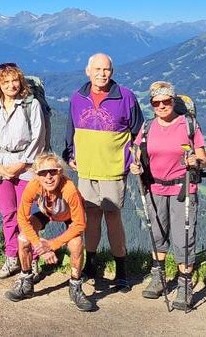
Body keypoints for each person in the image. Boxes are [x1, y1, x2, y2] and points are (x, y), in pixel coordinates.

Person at [63, 53, 144, 291]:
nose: (102, 74)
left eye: (106, 69)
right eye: (97, 69)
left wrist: (136, 157)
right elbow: (71, 129)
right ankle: (92, 264)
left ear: (113, 71)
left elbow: (138, 132)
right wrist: (69, 153)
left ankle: (121, 269)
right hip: (86, 169)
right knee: (91, 218)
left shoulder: (126, 96)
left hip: (114, 169)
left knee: (113, 217)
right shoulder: (78, 97)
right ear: (88, 71)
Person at [130, 81, 206, 310]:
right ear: (152, 104)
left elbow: (204, 159)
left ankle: (184, 286)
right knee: (158, 233)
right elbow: (138, 153)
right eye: (157, 102)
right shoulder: (147, 128)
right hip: (154, 187)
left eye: (166, 101)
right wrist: (136, 165)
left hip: (182, 188)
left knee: (183, 238)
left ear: (174, 101)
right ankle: (159, 277)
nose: (162, 106)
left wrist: (197, 161)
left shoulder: (188, 125)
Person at [4, 153, 94, 311]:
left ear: (60, 172)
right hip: (46, 213)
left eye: (52, 172)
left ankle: (75, 287)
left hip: (69, 217)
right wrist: (39, 245)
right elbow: (22, 218)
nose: (48, 177)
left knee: (77, 243)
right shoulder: (33, 186)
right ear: (36, 175)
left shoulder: (69, 189)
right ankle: (26, 282)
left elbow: (80, 224)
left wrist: (52, 245)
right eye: (42, 173)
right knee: (23, 239)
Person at [0, 63, 45, 279]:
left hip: (26, 167)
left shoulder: (31, 105)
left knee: (25, 215)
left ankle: (32, 259)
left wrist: (22, 164)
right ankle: (11, 257)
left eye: (14, 80)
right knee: (8, 214)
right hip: (1, 165)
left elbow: (38, 137)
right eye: (6, 81)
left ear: (21, 81)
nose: (11, 85)